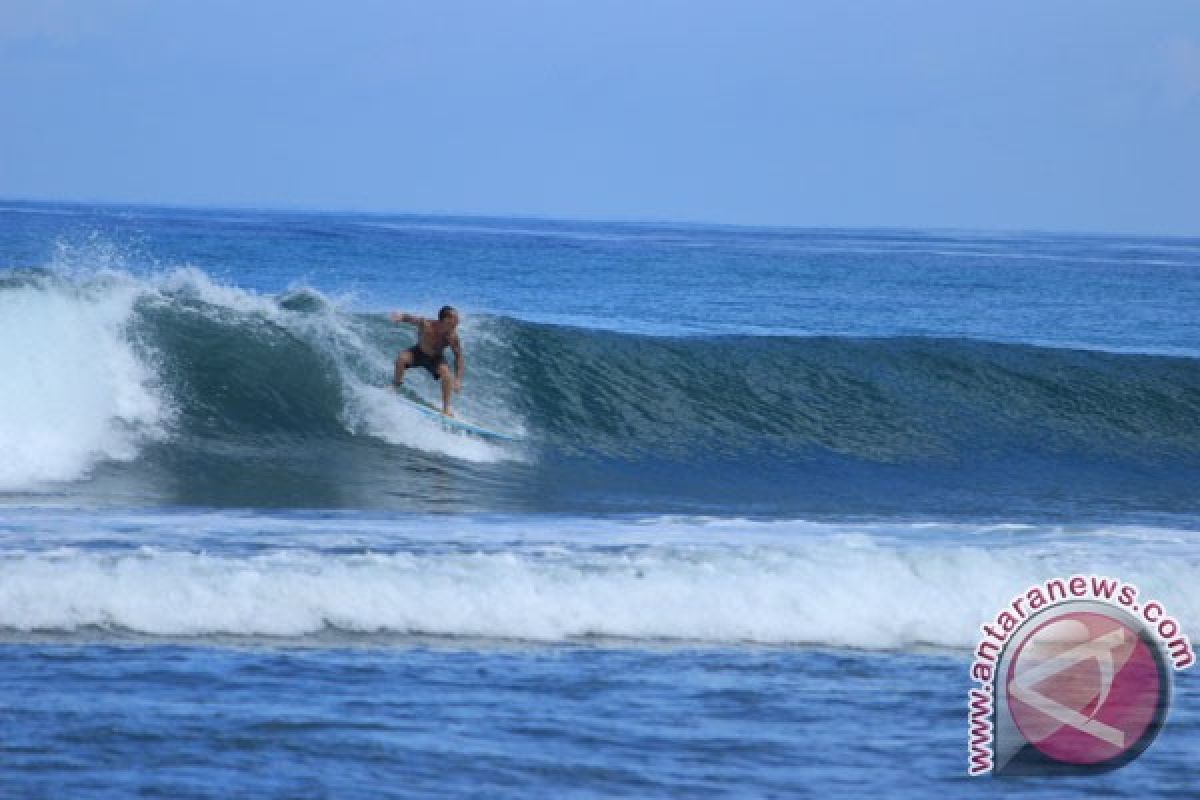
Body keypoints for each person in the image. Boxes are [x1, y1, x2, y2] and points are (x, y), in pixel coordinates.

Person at [390, 305, 465, 416]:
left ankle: (447, 407)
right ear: (446, 320)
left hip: (436, 359)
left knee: (447, 375)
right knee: (401, 358)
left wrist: (458, 379)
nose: (458, 321)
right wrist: (400, 317)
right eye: (455, 318)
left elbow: (459, 357)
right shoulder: (426, 324)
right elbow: (411, 318)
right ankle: (395, 387)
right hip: (418, 353)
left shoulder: (452, 337)